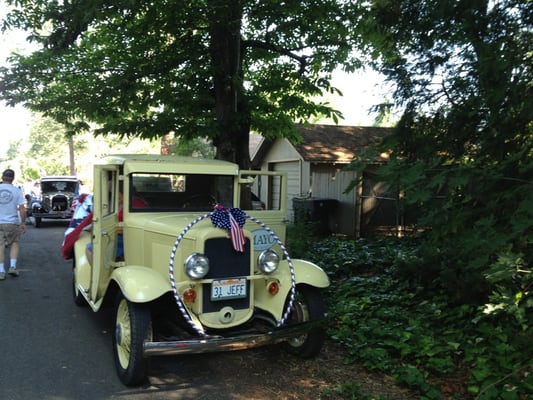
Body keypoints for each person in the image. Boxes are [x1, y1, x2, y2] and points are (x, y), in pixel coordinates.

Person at [0, 169, 26, 280]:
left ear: (2, 177)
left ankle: (1, 271)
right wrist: (23, 222)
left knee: (0, 245)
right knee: (14, 242)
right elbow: (22, 209)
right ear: (13, 178)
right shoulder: (17, 191)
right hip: (12, 222)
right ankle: (12, 267)